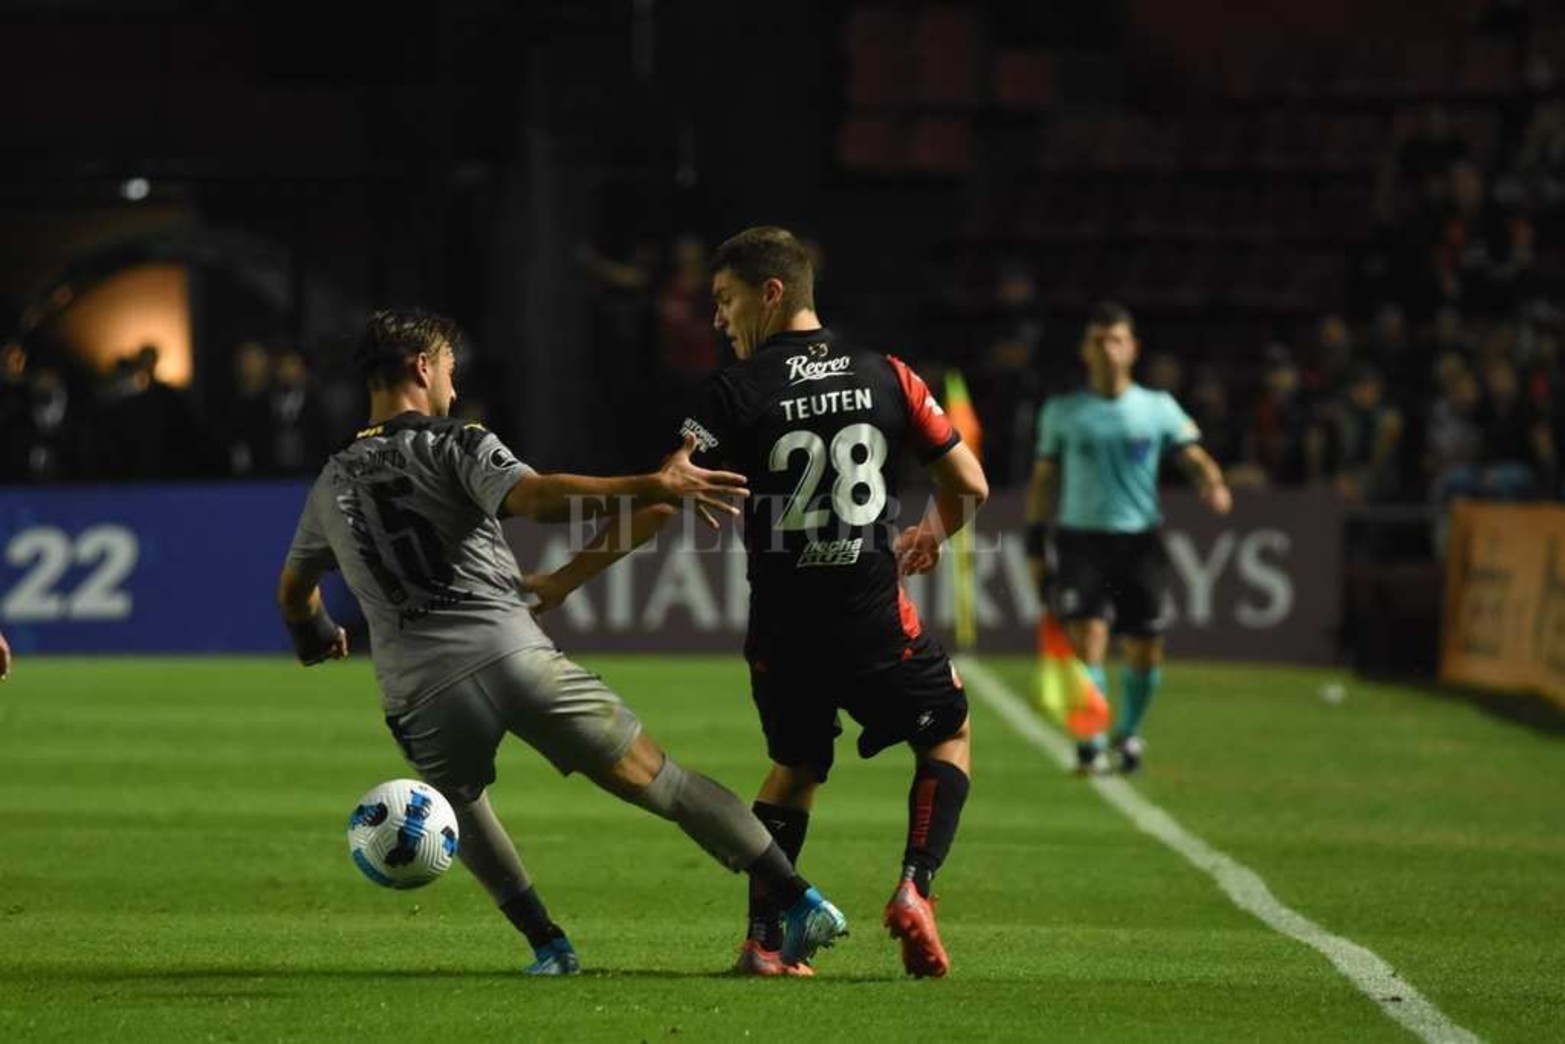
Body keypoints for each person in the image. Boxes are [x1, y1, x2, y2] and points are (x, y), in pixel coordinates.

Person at [276, 307, 847, 976]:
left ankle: (548, 944)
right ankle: (799, 897)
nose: (454, 391)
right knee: (662, 781)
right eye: (450, 373)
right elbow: (540, 498)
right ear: (422, 367)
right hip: (515, 655)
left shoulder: (332, 479)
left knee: (459, 806)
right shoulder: (455, 442)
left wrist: (314, 633)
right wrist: (653, 484)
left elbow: (294, 591)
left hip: (420, 689)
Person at [525, 226, 989, 979]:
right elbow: (969, 486)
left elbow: (661, 498)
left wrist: (563, 581)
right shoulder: (888, 374)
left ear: (771, 293)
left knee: (793, 768)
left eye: (725, 300)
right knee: (949, 731)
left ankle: (763, 943)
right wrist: (933, 533)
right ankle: (914, 888)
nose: (717, 319)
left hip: (784, 625)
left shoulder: (734, 392)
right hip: (871, 613)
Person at [1023, 300, 1232, 775]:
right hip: (1081, 539)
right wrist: (1036, 540)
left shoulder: (1157, 408)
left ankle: (1129, 732)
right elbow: (1042, 481)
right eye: (1098, 340)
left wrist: (1213, 482)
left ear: (1133, 348)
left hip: (1140, 541)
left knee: (1144, 646)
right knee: (1089, 635)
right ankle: (1092, 740)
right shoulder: (1063, 412)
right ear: (1085, 349)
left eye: (1116, 339)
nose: (1107, 349)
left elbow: (1193, 455)